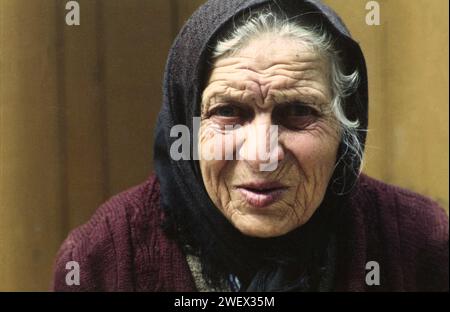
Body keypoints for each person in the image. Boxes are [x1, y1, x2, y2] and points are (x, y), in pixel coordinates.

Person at [53, 0, 448, 291]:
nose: (262, 155)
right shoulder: (102, 260)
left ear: (346, 130)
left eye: (298, 112)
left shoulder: (420, 245)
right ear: (186, 123)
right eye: (228, 112)